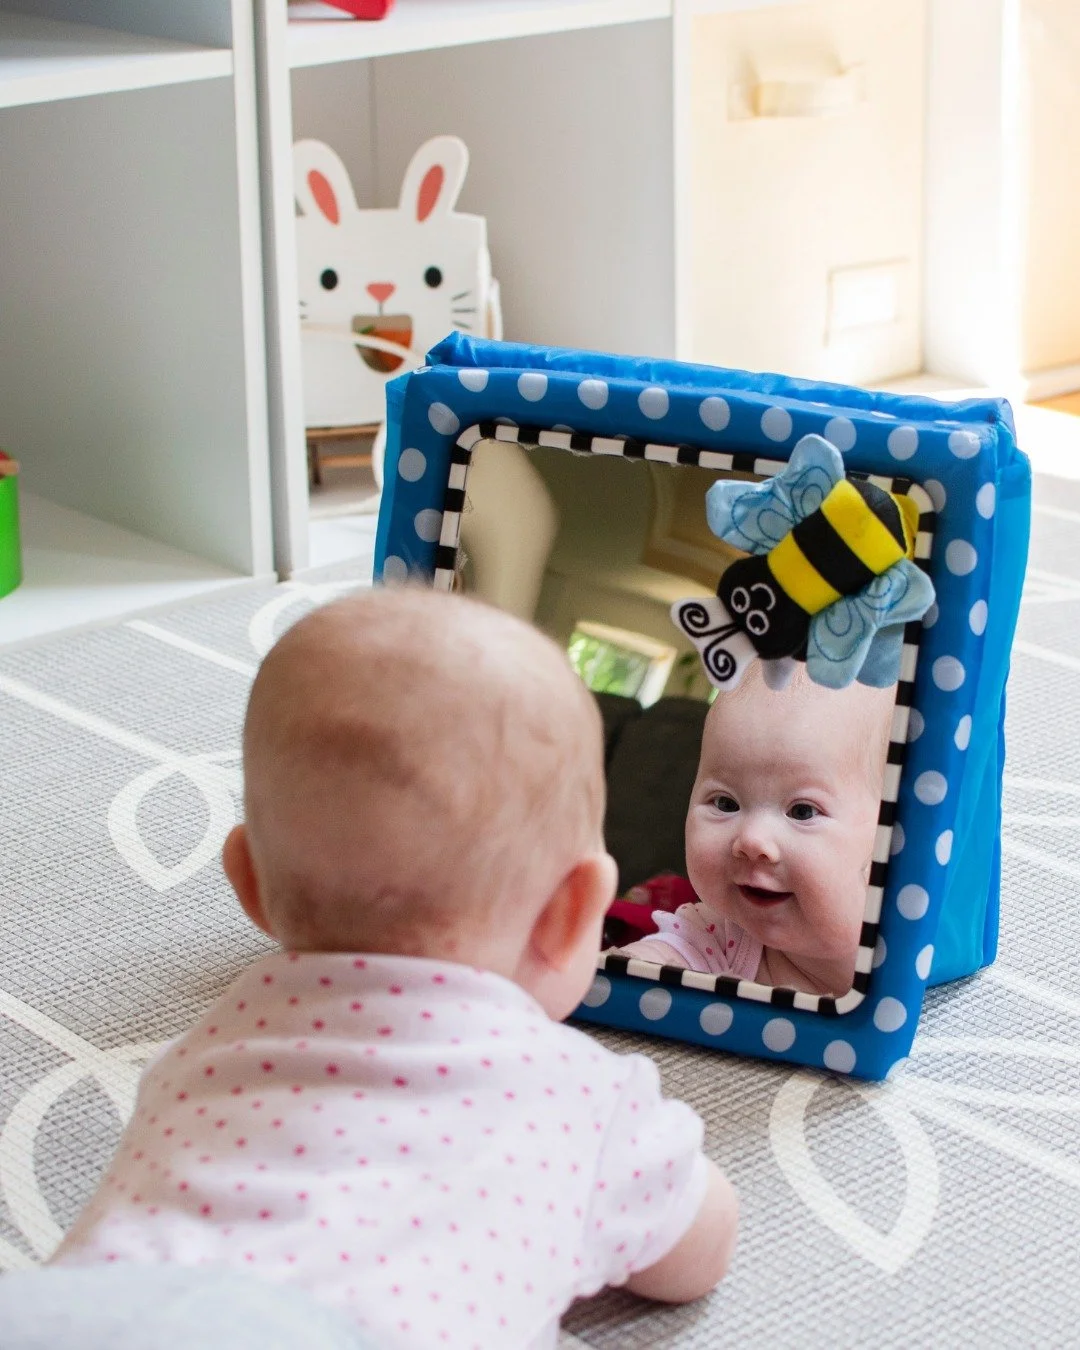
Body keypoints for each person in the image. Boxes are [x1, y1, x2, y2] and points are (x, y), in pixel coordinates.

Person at [51, 588, 738, 1349]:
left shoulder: (205, 1051)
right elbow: (696, 1256)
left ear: (248, 883)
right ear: (575, 911)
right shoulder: (587, 1098)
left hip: (107, 1311)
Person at [615, 661, 895, 997]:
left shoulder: (929, 963)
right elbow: (638, 972)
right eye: (725, 803)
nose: (751, 840)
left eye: (802, 811)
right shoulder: (714, 939)